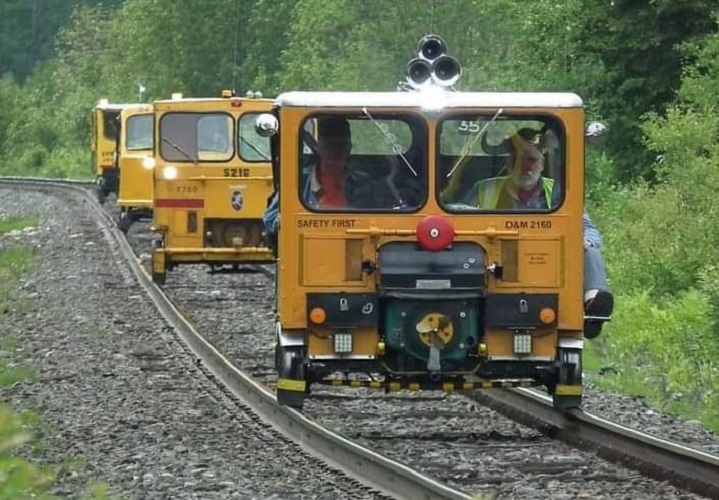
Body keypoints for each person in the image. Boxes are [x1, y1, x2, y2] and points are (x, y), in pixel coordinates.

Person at [472, 133, 614, 339]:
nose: (525, 167)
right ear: (508, 163)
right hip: (496, 259)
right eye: (518, 160)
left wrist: (584, 241)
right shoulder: (484, 189)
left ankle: (593, 306)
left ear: (542, 164)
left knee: (590, 251)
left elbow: (590, 230)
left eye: (531, 159)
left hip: (545, 260)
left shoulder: (559, 192)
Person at [263, 116, 353, 236]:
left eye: (341, 145)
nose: (335, 151)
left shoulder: (365, 182)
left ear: (349, 149)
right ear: (319, 147)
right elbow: (270, 219)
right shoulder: (298, 180)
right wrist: (289, 222)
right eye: (330, 144)